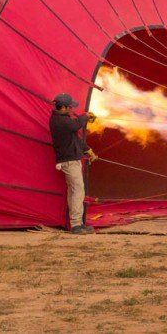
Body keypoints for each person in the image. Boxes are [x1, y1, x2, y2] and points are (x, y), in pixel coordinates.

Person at [49, 92, 96, 234]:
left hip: (72, 160)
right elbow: (76, 125)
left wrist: (89, 151)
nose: (71, 109)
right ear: (62, 107)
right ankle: (76, 225)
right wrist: (86, 116)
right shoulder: (59, 121)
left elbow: (76, 139)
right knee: (78, 191)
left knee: (73, 191)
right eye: (69, 107)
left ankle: (77, 223)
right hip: (69, 161)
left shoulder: (65, 120)